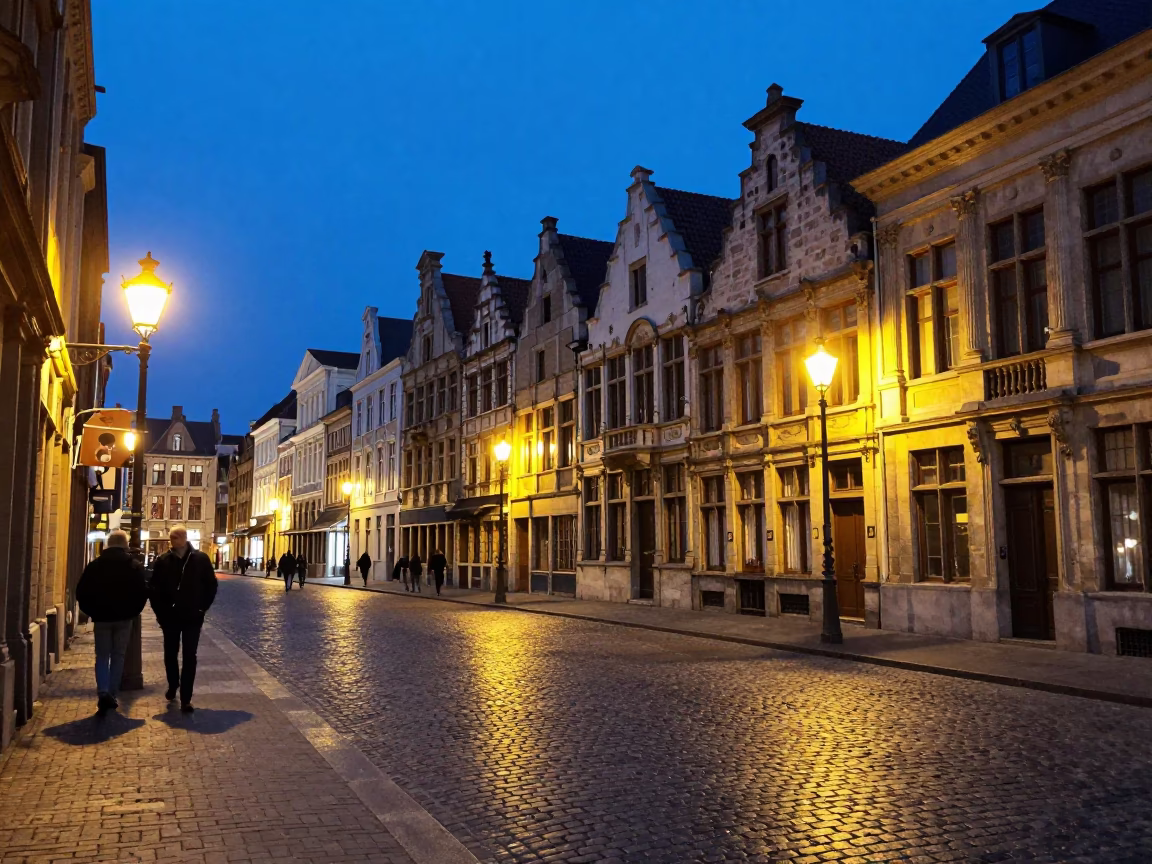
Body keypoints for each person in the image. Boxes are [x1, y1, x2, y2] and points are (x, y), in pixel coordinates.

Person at [76, 530, 149, 716]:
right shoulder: (133, 566)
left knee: (102, 655)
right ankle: (112, 693)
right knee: (118, 656)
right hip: (124, 618)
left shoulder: (95, 565)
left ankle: (102, 691)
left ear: (108, 544)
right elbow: (142, 592)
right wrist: (133, 612)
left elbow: (81, 592)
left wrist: (93, 612)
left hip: (102, 619)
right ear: (125, 545)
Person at [149, 525, 218, 713]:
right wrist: (160, 613)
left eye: (178, 537)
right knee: (170, 654)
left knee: (190, 656)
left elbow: (211, 585)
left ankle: (186, 697)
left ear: (185, 538)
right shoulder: (163, 561)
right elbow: (154, 590)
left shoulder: (200, 559)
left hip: (192, 616)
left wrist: (202, 608)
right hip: (170, 617)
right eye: (172, 537)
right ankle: (173, 684)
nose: (174, 540)